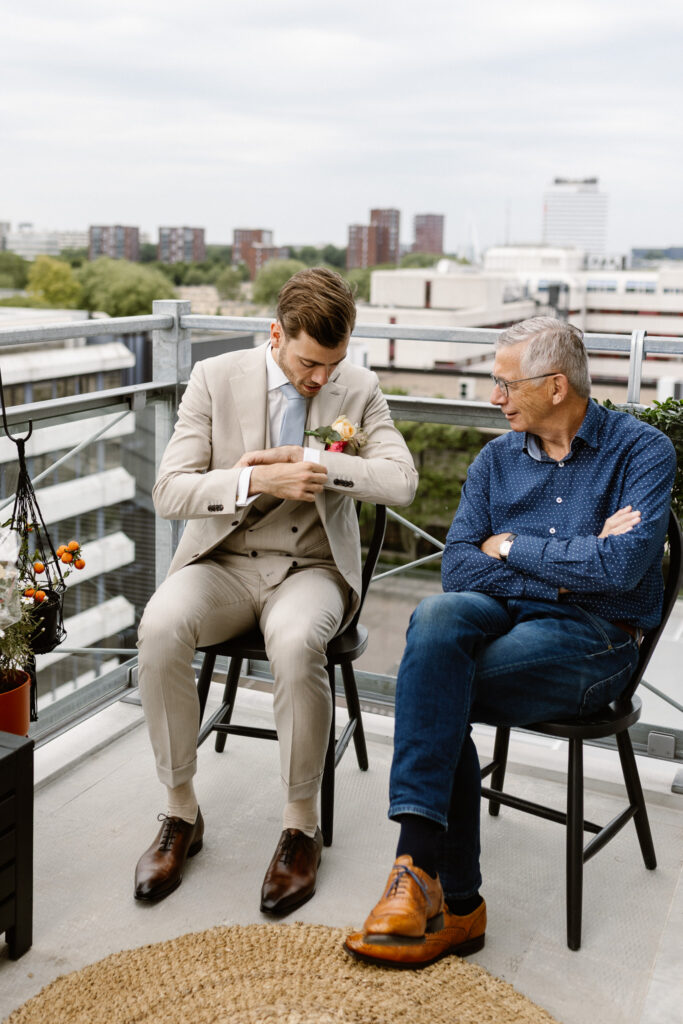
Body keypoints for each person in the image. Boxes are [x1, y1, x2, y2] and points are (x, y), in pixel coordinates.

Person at [345, 316, 676, 967]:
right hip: (503, 611)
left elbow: (619, 570)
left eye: (505, 383)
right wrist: (571, 563)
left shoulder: (642, 451)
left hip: (596, 636)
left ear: (555, 386)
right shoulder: (496, 459)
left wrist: (510, 546)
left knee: (437, 691)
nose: (494, 397)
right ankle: (424, 880)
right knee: (436, 617)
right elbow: (458, 567)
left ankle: (443, 896)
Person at [134, 267, 417, 913]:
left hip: (311, 570)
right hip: (224, 563)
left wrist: (314, 461)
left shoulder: (359, 387)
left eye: (332, 363)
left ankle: (300, 828)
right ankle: (180, 812)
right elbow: (169, 492)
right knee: (159, 627)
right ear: (275, 334)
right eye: (309, 362)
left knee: (293, 644)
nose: (320, 378)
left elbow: (400, 482)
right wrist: (255, 481)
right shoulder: (214, 377)